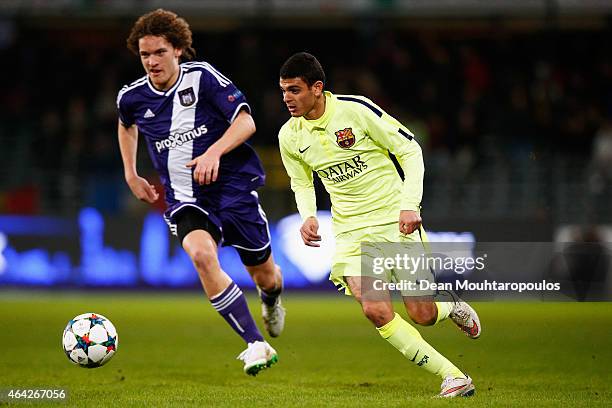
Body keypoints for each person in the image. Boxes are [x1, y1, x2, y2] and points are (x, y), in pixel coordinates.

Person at [277, 52, 481, 397]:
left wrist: (409, 206)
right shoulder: (289, 136)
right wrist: (308, 215)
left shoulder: (355, 110)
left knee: (422, 313)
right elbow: (302, 182)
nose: (287, 98)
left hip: (392, 219)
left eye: (294, 90)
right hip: (350, 231)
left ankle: (451, 307)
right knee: (374, 308)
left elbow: (410, 150)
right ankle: (453, 376)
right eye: (283, 91)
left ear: (317, 87)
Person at [116, 9, 284, 376]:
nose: (151, 61)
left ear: (177, 49)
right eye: (144, 55)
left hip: (232, 188)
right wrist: (131, 173)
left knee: (265, 275)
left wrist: (213, 151)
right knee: (200, 254)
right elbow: (126, 125)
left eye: (159, 52)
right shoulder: (132, 97)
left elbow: (246, 120)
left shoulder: (203, 77)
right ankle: (256, 344)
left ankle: (271, 300)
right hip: (184, 197)